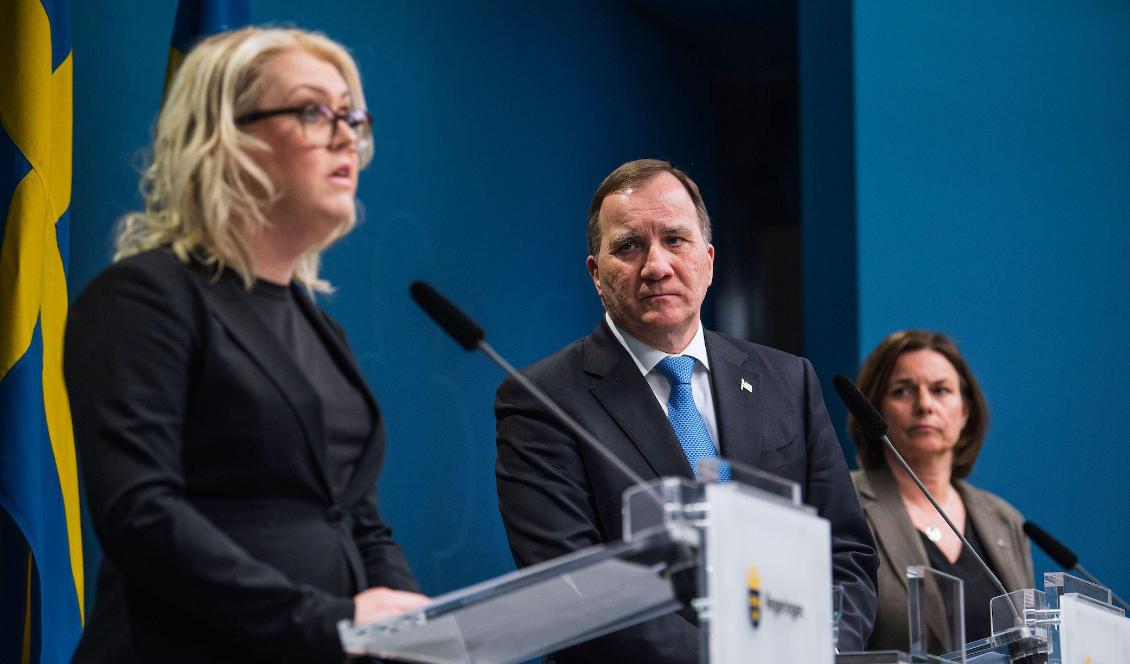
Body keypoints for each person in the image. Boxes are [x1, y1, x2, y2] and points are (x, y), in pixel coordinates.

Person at [64, 27, 428, 662]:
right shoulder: (143, 297)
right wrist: (328, 621)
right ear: (225, 139)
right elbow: (140, 513)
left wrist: (419, 625)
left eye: (351, 115)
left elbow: (358, 517)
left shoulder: (320, 327)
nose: (346, 136)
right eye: (314, 111)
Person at [494, 158, 878, 661]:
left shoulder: (787, 381)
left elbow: (846, 556)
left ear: (710, 259)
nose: (656, 265)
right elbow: (578, 588)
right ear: (596, 273)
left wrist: (821, 650)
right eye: (629, 246)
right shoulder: (541, 400)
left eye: (675, 240)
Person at [848, 330, 1033, 651]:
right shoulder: (846, 499)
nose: (924, 405)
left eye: (941, 390)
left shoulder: (1005, 520)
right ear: (874, 409)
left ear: (965, 412)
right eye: (902, 391)